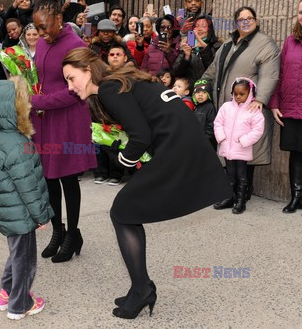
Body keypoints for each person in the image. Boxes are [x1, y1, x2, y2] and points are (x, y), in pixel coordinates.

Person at [61, 47, 231, 319]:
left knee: (122, 212)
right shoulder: (119, 80)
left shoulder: (108, 88)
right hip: (181, 143)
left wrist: (123, 160)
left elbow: (140, 136)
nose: (70, 87)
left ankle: (142, 290)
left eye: (71, 78)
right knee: (127, 212)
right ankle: (141, 287)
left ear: (87, 70)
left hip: (177, 147)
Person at [32, 0, 97, 263]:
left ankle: (73, 234)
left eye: (43, 27)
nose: (39, 33)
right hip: (45, 117)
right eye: (35, 28)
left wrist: (38, 100)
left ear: (59, 18)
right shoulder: (44, 42)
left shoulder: (75, 44)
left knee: (68, 178)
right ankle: (57, 231)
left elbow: (76, 90)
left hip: (68, 118)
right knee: (49, 179)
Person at [0, 77, 54, 320]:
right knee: (25, 261)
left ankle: (5, 292)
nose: (29, 106)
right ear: (14, 109)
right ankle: (20, 304)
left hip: (9, 211)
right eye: (24, 102)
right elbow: (28, 186)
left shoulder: (0, 137)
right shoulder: (18, 144)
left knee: (17, 254)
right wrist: (41, 215)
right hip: (22, 213)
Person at [201, 6, 280, 200]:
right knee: (230, 150)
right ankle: (231, 192)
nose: (245, 21)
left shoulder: (265, 44)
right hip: (228, 108)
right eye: (241, 18)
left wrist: (260, 98)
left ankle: (243, 192)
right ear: (236, 22)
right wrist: (202, 85)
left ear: (256, 20)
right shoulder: (228, 43)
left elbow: (270, 74)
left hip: (248, 108)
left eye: (249, 18)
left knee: (246, 152)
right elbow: (213, 69)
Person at [268, 0, 302, 213]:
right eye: (300, 12)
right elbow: (279, 74)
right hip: (291, 107)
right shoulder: (291, 41)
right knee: (296, 154)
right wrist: (274, 103)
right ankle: (296, 196)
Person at [213, 78, 265, 214]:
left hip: (242, 149)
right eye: (235, 94)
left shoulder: (254, 110)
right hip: (227, 148)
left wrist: (244, 141)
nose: (237, 97)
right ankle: (229, 198)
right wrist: (221, 137)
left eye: (242, 94)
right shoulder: (226, 107)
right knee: (230, 175)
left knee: (241, 176)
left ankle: (241, 201)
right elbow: (218, 122)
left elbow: (257, 130)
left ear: (250, 93)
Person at [173, 15, 221, 82]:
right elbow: (177, 72)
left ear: (209, 29)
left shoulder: (217, 46)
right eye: (197, 26)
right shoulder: (187, 45)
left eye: (203, 26)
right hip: (189, 89)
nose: (200, 29)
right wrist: (186, 57)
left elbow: (215, 70)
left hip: (207, 88)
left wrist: (205, 48)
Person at [192, 79, 217, 149]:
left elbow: (212, 124)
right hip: (197, 140)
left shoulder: (210, 107)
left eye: (204, 92)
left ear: (208, 94)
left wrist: (205, 138)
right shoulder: (195, 107)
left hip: (207, 143)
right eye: (197, 92)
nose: (200, 95)